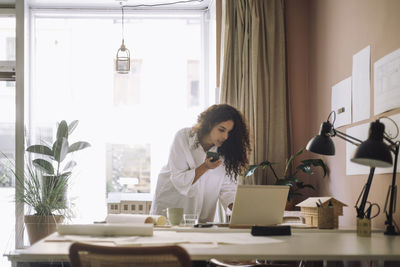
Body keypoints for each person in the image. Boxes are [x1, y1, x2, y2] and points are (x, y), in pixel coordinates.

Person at [150, 104, 251, 223]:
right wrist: (205, 167)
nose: (225, 137)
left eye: (229, 132)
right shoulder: (183, 137)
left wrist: (242, 211)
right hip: (171, 206)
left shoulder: (226, 152)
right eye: (221, 129)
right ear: (209, 124)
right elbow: (179, 179)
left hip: (200, 216)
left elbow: (227, 189)